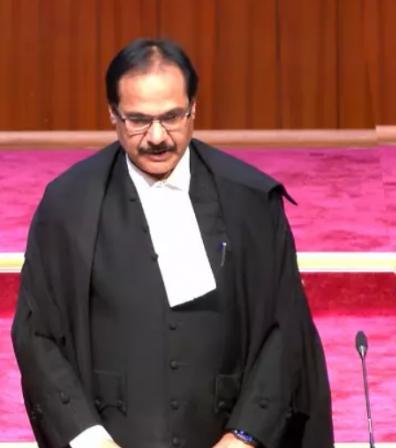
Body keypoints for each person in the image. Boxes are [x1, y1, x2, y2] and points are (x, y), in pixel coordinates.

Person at [12, 38, 333, 448]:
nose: (157, 136)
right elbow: (36, 334)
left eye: (172, 117)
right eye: (138, 120)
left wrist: (244, 435)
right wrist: (90, 439)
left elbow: (285, 327)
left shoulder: (249, 202)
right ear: (113, 114)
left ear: (193, 109)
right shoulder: (68, 205)